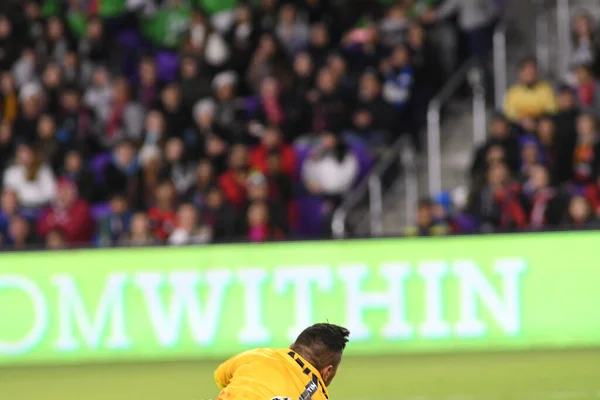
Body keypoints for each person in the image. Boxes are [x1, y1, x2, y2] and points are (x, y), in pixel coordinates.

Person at [214, 323, 350, 400]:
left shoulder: (259, 355)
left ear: (291, 348)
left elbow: (220, 377)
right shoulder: (318, 396)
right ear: (327, 372)